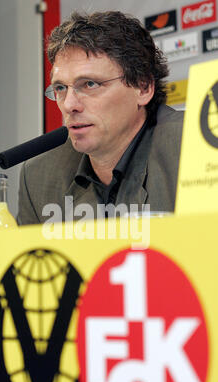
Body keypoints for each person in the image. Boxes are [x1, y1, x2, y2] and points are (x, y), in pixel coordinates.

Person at [17, 10, 184, 226]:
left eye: (89, 84)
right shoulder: (39, 177)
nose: (69, 105)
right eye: (60, 88)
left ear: (143, 88)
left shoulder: (194, 149)